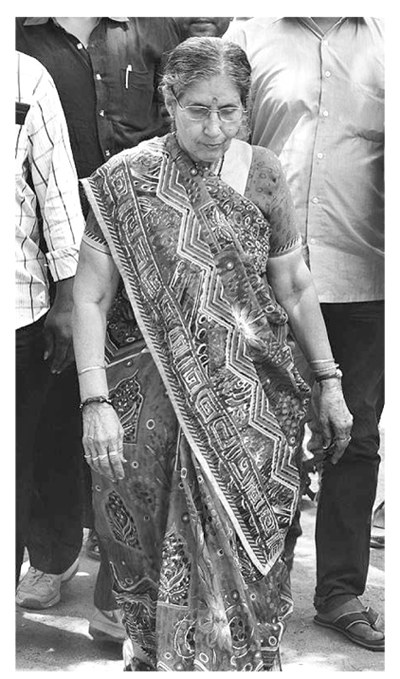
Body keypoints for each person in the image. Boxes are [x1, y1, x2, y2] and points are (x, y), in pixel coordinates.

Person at [72, 37, 352, 671]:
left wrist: (329, 381)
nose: (215, 128)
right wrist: (95, 402)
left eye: (229, 111)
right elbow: (90, 295)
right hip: (151, 410)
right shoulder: (126, 181)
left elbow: (294, 285)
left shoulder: (263, 174)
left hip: (254, 412)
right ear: (168, 101)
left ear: (246, 109)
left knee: (250, 571)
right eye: (198, 110)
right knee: (150, 563)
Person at [16, 16, 183, 641]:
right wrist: (64, 289)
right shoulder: (24, 39)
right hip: (59, 273)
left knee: (137, 426)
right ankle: (53, 555)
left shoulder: (151, 27)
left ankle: (122, 585)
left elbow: (181, 127)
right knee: (59, 424)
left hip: (144, 260)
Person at [226, 17, 384, 651]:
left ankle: (340, 592)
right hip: (261, 278)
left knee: (355, 434)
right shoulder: (251, 31)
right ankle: (252, 584)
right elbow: (219, 145)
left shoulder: (389, 40)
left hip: (364, 276)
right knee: (257, 434)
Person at [15, 50, 85, 589]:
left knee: (13, 469)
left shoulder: (25, 76)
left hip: (17, 311)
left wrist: (67, 300)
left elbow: (58, 196)